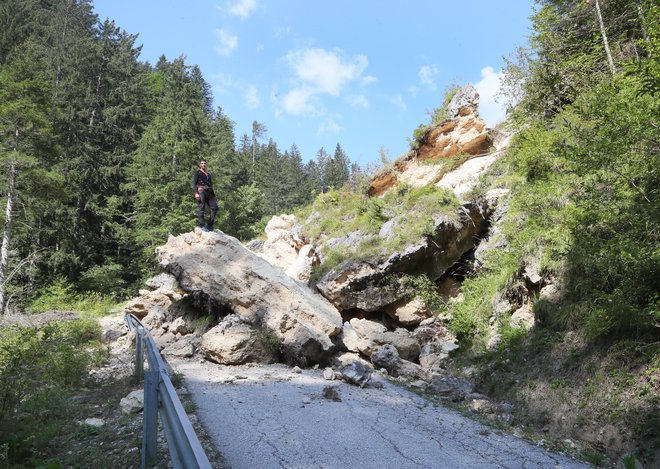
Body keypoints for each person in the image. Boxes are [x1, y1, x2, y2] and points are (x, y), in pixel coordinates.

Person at [192, 160, 218, 231]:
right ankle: (201, 225)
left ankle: (210, 225)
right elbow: (194, 183)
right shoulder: (197, 172)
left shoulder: (208, 174)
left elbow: (211, 185)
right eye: (202, 163)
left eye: (204, 163)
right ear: (200, 165)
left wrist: (214, 196)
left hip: (209, 192)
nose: (203, 164)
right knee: (201, 207)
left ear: (206, 165)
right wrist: (196, 193)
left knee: (215, 207)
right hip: (201, 190)